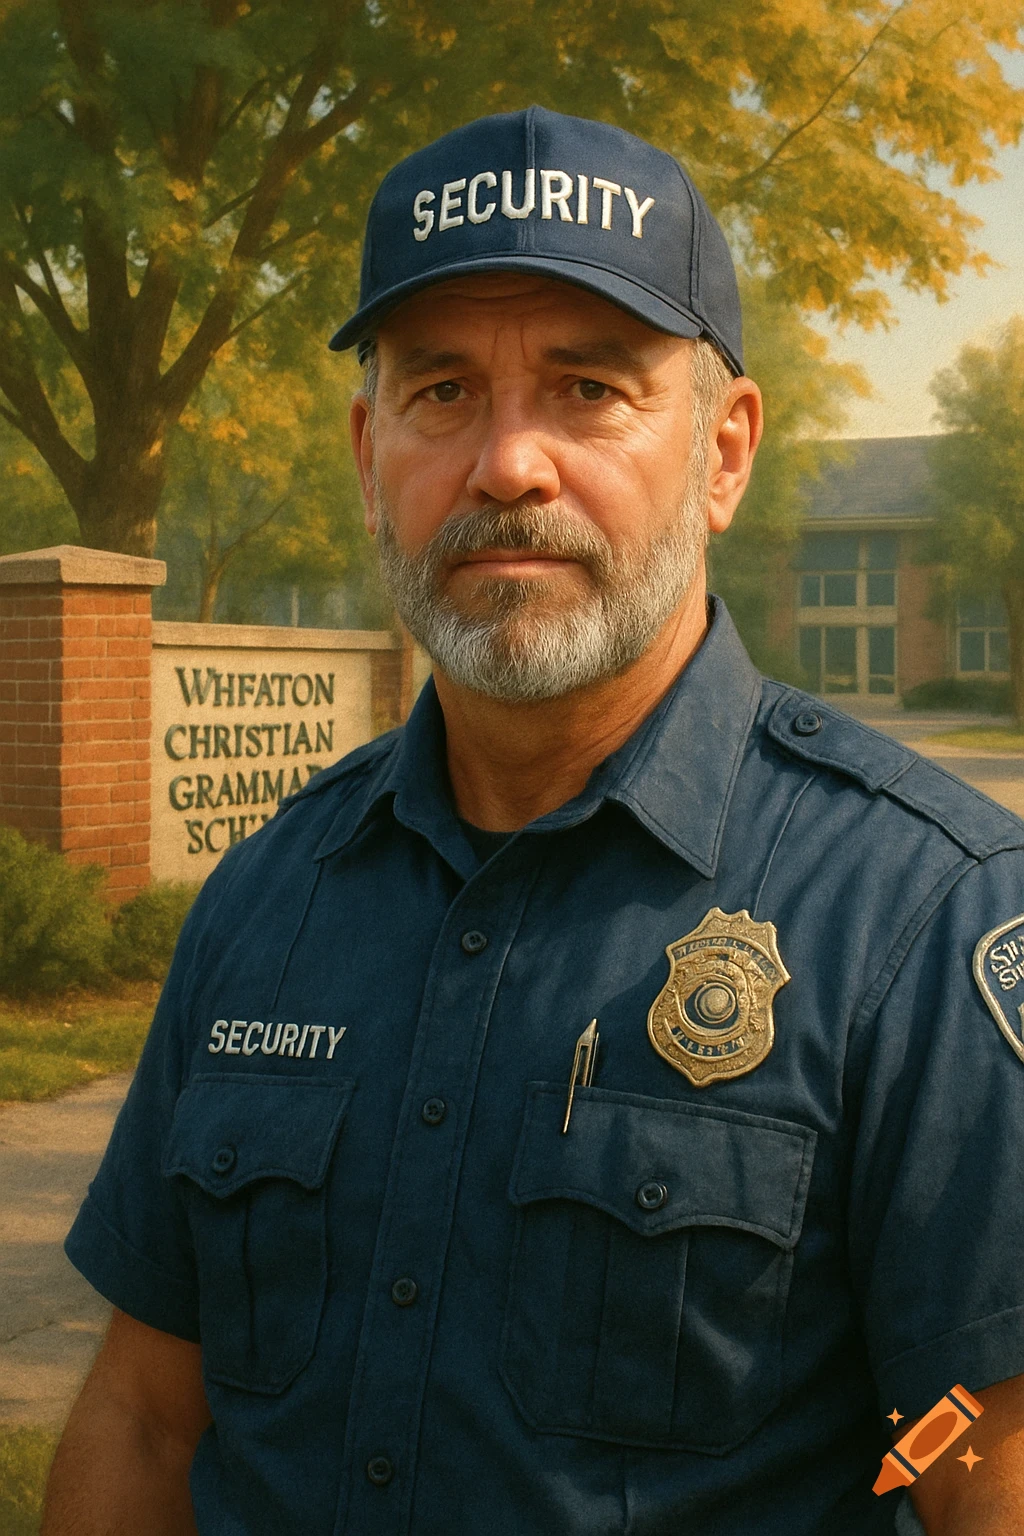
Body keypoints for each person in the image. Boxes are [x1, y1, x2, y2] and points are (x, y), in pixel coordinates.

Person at [44, 106, 1024, 1536]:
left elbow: (984, 1469)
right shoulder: (269, 894)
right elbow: (143, 1415)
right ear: (371, 447)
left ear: (726, 449)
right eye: (443, 391)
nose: (508, 464)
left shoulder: (924, 919)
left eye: (588, 388)